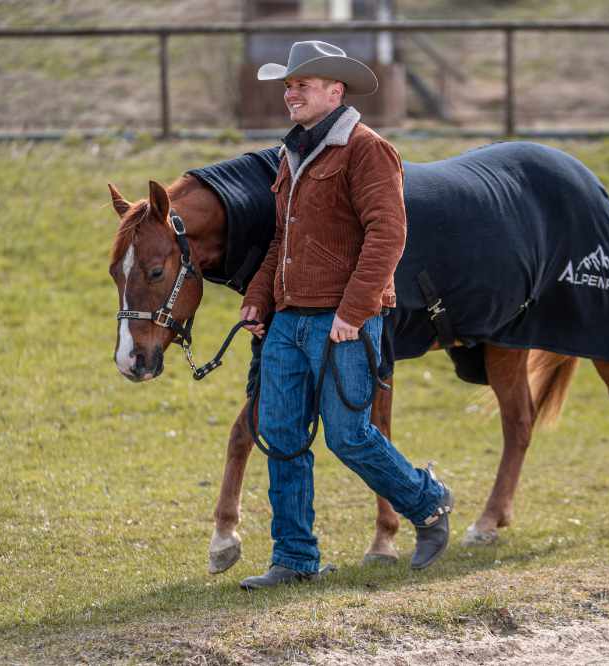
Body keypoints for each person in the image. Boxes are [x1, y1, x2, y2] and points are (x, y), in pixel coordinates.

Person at [238, 40, 453, 590]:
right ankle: (294, 557)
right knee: (280, 433)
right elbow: (280, 240)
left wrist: (354, 311)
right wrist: (260, 297)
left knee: (349, 436)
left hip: (346, 321)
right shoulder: (293, 153)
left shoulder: (367, 149)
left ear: (336, 91)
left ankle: (429, 504)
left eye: (301, 85)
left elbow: (389, 233)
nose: (290, 93)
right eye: (288, 85)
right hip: (288, 320)